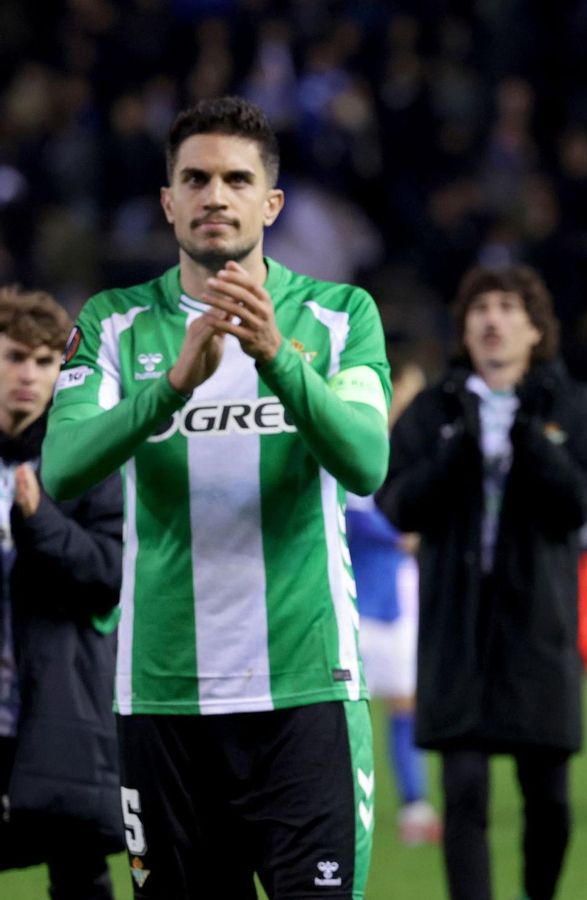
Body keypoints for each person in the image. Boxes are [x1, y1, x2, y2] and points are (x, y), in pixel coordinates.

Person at [43, 96, 391, 898]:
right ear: (168, 201)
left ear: (270, 203)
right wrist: (170, 388)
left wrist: (275, 358)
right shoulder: (114, 323)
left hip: (306, 690)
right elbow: (62, 468)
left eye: (237, 179)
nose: (215, 196)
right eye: (194, 178)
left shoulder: (339, 318)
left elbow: (367, 461)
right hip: (163, 694)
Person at [377, 264, 587, 900]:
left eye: (509, 307)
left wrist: (529, 440)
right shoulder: (435, 411)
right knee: (463, 793)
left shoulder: (574, 406)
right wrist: (461, 449)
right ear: (464, 328)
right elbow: (398, 504)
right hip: (456, 630)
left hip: (541, 627)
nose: (492, 319)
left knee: (549, 799)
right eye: (480, 308)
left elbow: (581, 503)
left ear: (536, 329)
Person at [0, 287, 123, 899]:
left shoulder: (84, 460)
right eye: (17, 356)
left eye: (47, 362)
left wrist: (41, 521)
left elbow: (114, 573)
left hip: (59, 707)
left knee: (79, 872)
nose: (30, 375)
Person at [345, 360, 440, 846]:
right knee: (343, 710)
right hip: (357, 596)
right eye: (405, 390)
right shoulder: (352, 439)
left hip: (398, 595)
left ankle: (415, 806)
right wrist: (401, 532)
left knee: (406, 703)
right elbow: (352, 508)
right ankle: (338, 807)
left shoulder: (414, 448)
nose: (408, 403)